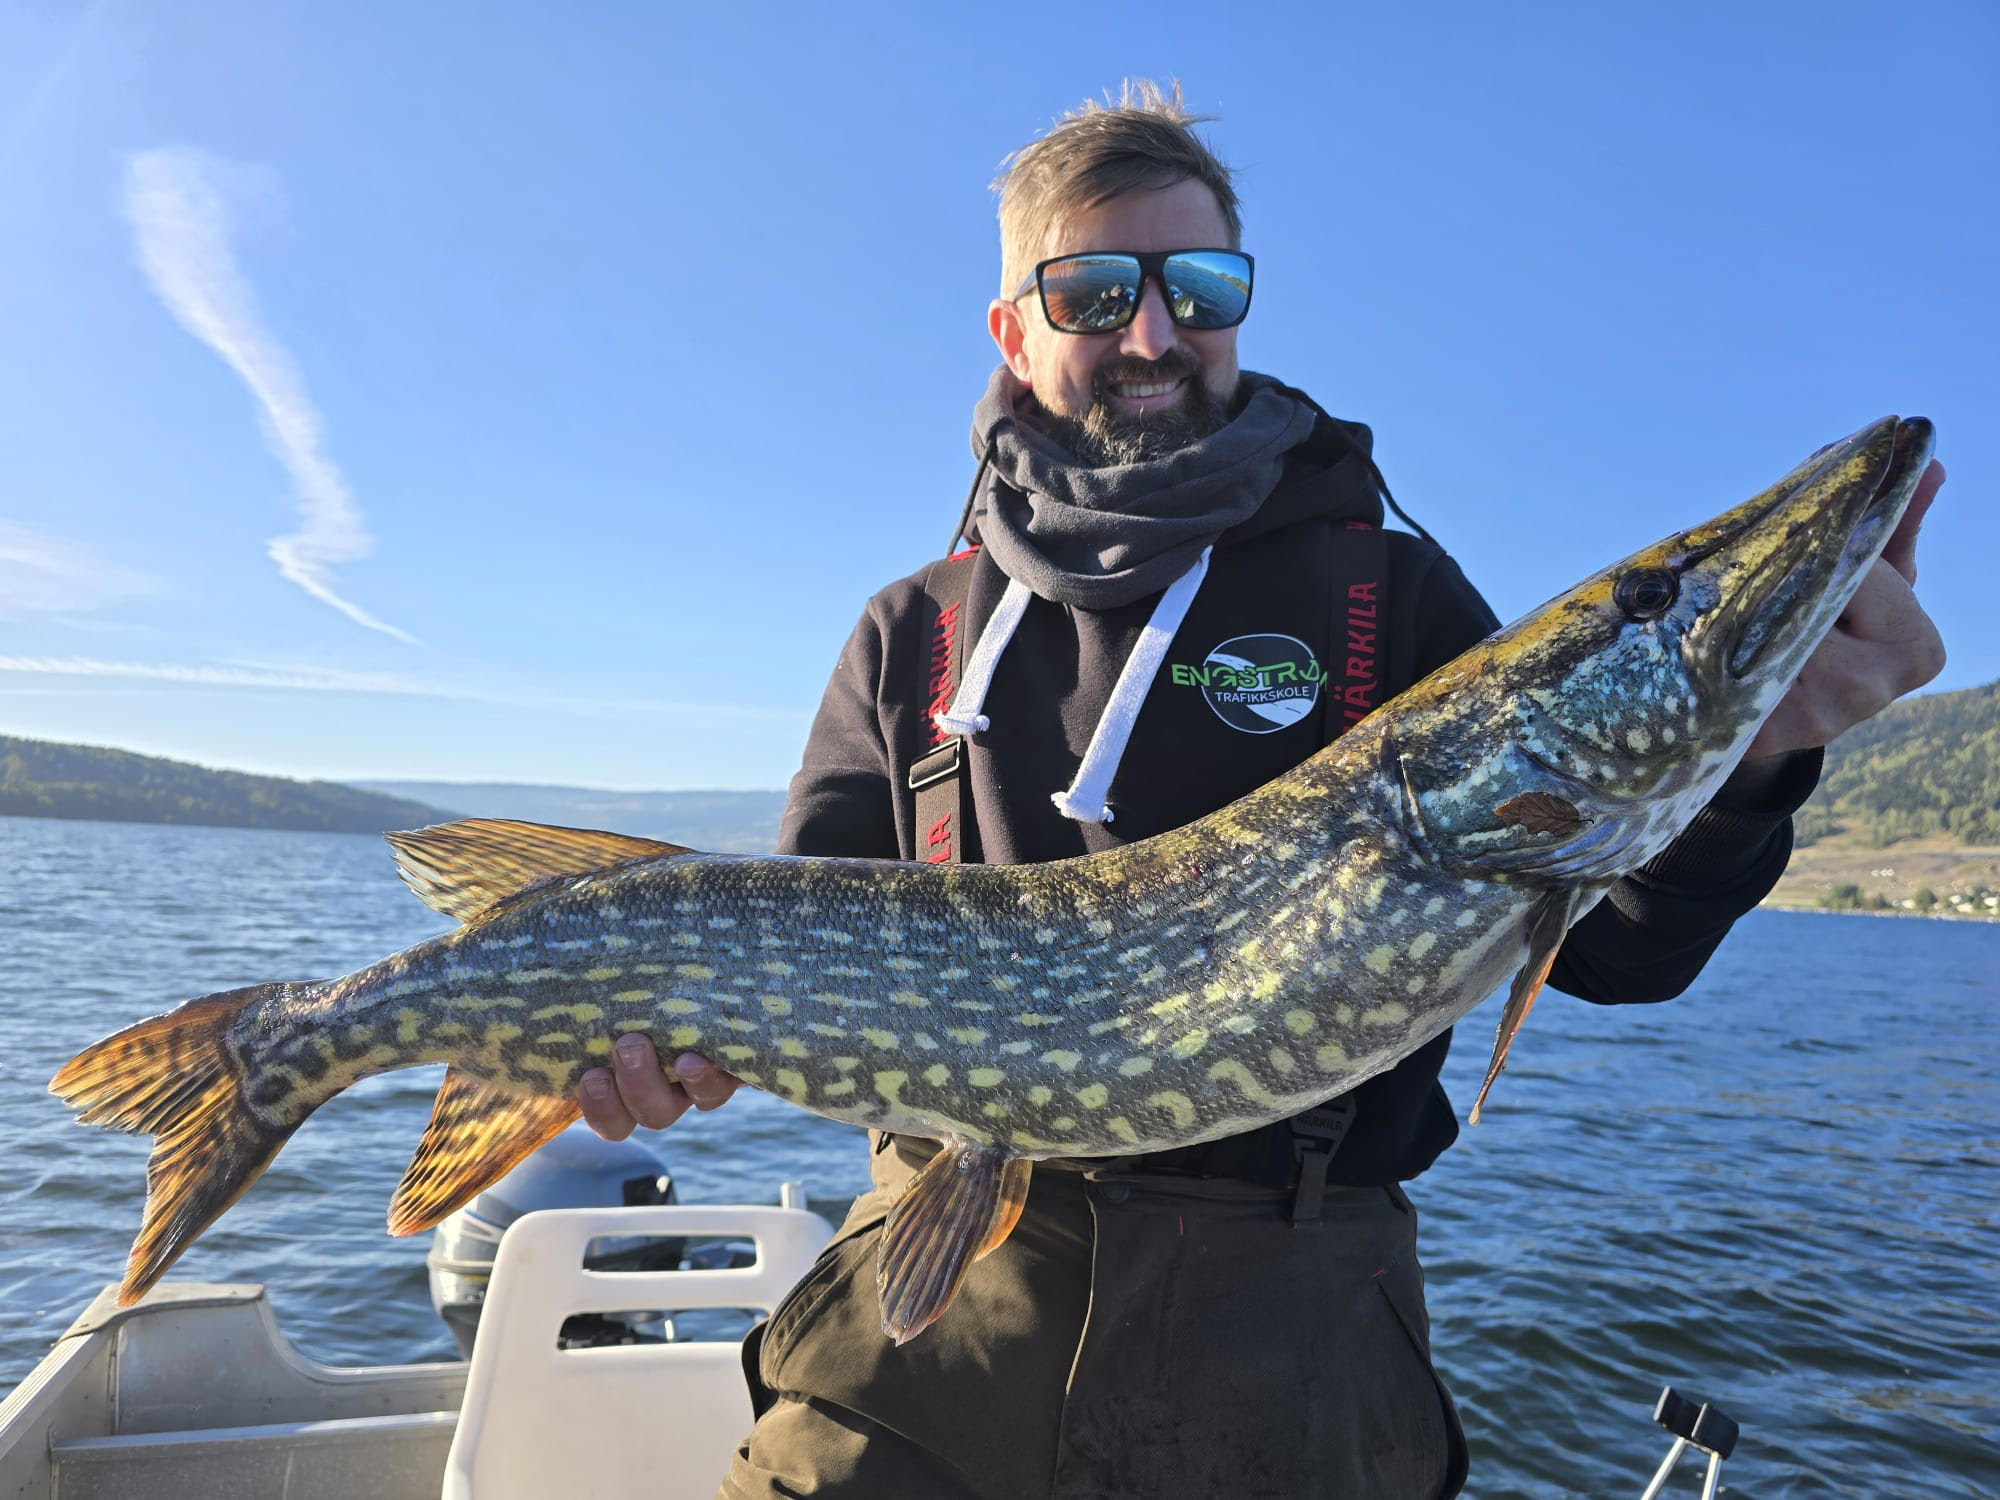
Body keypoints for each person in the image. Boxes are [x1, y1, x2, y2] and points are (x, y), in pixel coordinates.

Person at [577, 83, 1946, 1499]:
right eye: (1094, 292)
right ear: (1015, 329)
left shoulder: (1391, 594)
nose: (1153, 334)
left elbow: (1622, 955)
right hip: (925, 1352)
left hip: (1294, 1347)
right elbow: (782, 944)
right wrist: (675, 1052)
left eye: (1199, 287)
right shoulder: (910, 629)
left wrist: (1757, 757)